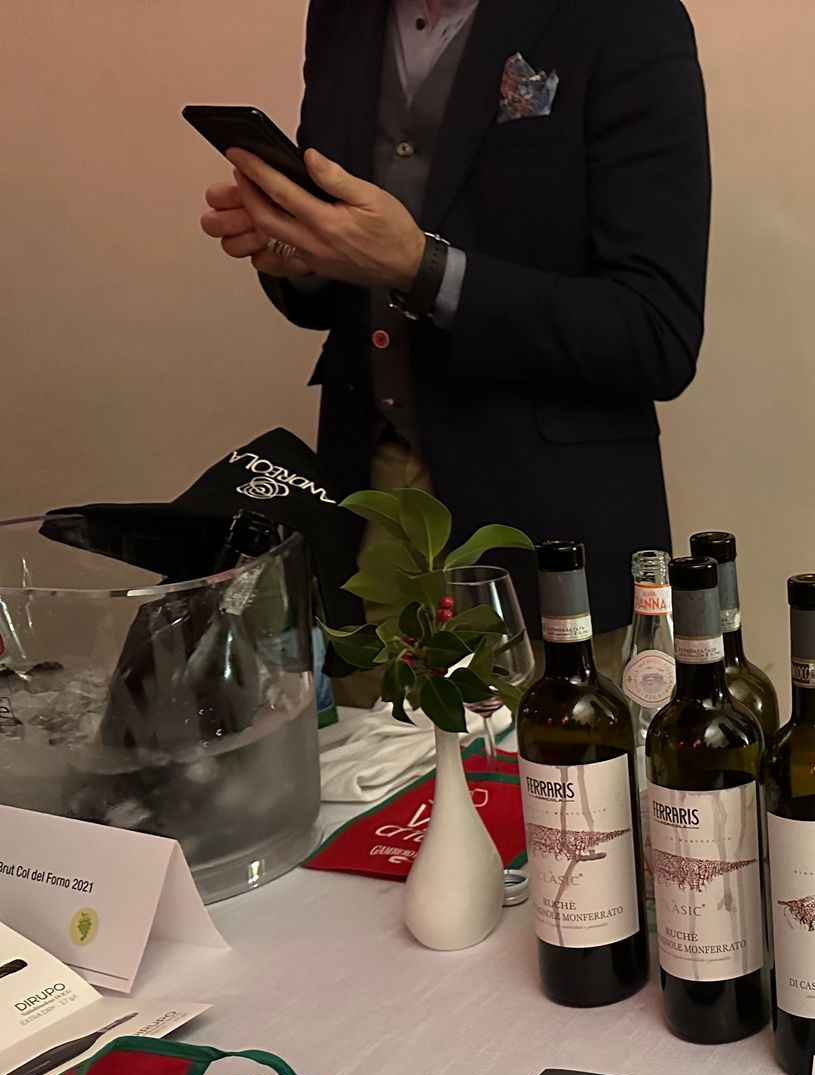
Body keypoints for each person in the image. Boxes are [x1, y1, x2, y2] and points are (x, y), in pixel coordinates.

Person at [198, 0, 710, 665]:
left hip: (547, 538)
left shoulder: (624, 17)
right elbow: (340, 277)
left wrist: (423, 269)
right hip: (363, 518)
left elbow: (655, 333)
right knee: (363, 737)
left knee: (550, 741)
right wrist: (304, 255)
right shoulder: (340, 14)